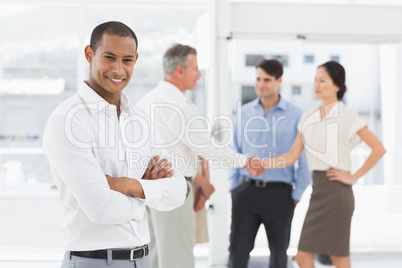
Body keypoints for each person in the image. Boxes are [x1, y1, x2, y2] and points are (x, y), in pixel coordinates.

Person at [43, 21, 187, 268]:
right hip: (94, 262)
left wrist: (126, 185)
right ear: (90, 54)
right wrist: (148, 193)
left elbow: (178, 191)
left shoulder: (140, 119)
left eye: (127, 60)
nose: (118, 69)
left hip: (143, 260)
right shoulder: (67, 121)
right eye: (109, 57)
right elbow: (101, 209)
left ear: (136, 59)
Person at [136, 43, 264, 268]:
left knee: (155, 259)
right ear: (180, 71)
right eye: (195, 68)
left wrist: (201, 180)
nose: (198, 75)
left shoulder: (145, 102)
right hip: (173, 191)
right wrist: (244, 161)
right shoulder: (178, 105)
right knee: (178, 261)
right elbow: (206, 146)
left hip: (148, 193)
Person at [252, 61, 386, 268]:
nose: (317, 84)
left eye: (322, 80)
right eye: (315, 79)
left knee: (338, 257)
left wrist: (353, 177)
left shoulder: (347, 114)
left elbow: (378, 148)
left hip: (337, 192)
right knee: (302, 257)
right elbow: (291, 155)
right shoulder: (308, 115)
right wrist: (264, 164)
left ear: (337, 85)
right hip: (318, 192)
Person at [228, 59, 311, 268]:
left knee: (279, 255)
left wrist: (296, 195)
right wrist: (233, 187)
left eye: (267, 79)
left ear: (279, 80)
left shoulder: (296, 115)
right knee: (238, 250)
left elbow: (304, 160)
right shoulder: (244, 112)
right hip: (246, 192)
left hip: (280, 195)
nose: (260, 84)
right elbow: (233, 150)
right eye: (258, 79)